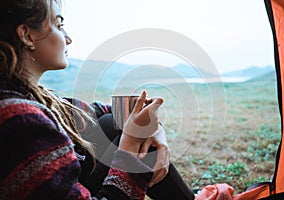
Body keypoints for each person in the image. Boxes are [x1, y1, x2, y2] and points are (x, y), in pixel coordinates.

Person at [0, 0, 195, 199]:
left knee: (111, 123)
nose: (68, 39)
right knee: (129, 135)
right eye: (59, 26)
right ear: (27, 35)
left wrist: (154, 129)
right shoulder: (17, 117)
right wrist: (129, 150)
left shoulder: (28, 96)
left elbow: (97, 112)